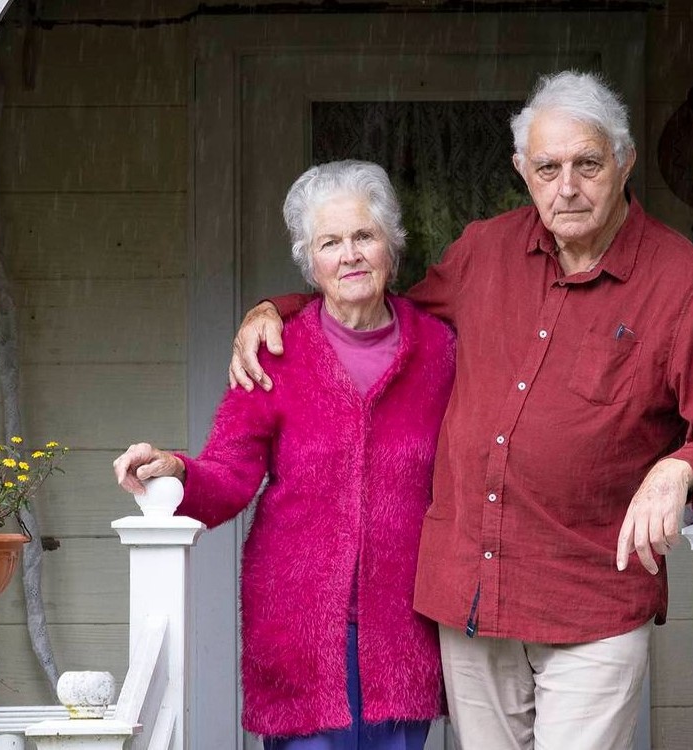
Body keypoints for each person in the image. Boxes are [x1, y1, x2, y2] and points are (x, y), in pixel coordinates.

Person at [229, 72, 693, 750]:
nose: (566, 186)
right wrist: (275, 310)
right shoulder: (484, 250)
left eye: (587, 164)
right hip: (472, 598)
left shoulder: (678, 282)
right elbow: (377, 315)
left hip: (590, 601)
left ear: (624, 161)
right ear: (522, 170)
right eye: (546, 167)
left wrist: (680, 469)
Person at [113, 160, 455, 750]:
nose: (350, 255)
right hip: (300, 630)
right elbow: (229, 474)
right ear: (310, 260)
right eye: (330, 242)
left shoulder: (440, 349)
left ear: (391, 246)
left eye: (364, 236)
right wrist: (175, 468)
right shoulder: (276, 352)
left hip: (405, 624)